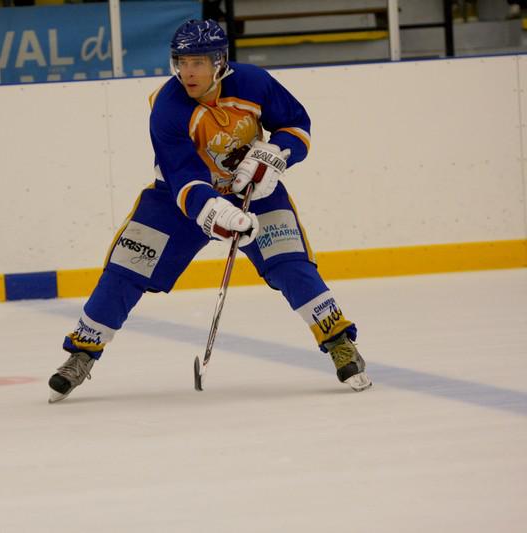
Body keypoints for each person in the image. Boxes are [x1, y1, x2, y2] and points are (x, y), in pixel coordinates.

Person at [47, 19, 371, 403]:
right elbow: (183, 176)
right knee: (127, 269)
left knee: (290, 264)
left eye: (197, 63)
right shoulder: (167, 106)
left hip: (253, 190)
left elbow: (296, 125)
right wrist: (214, 211)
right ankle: (82, 353)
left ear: (219, 61)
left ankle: (339, 342)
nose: (187, 73)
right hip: (178, 199)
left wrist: (276, 153)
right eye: (181, 62)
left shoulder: (254, 83)